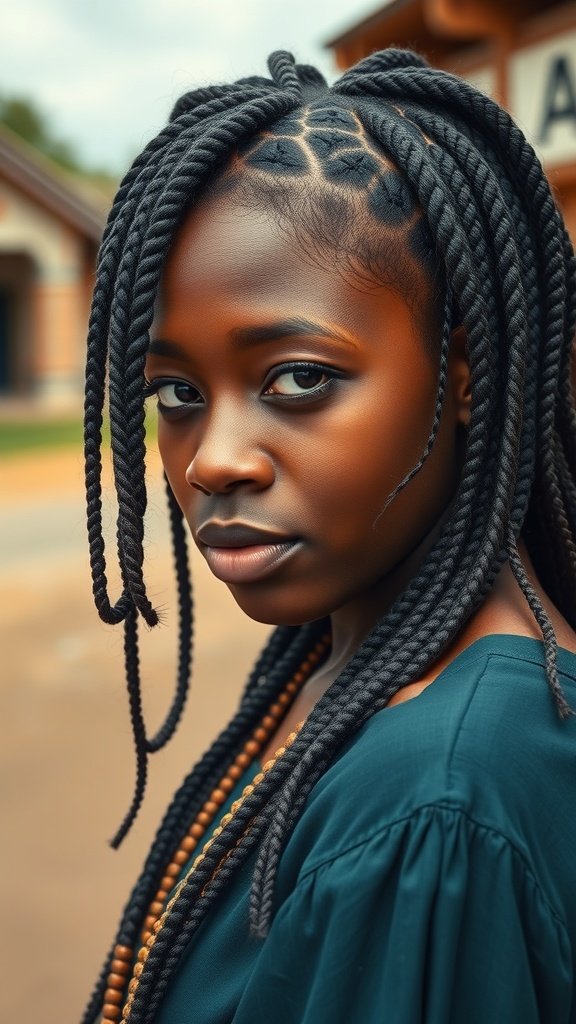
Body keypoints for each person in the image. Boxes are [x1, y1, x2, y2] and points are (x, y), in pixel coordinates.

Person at [82, 48, 576, 1024]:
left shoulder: (439, 799)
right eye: (175, 393)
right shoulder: (346, 660)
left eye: (298, 378)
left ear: (466, 371)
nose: (211, 459)